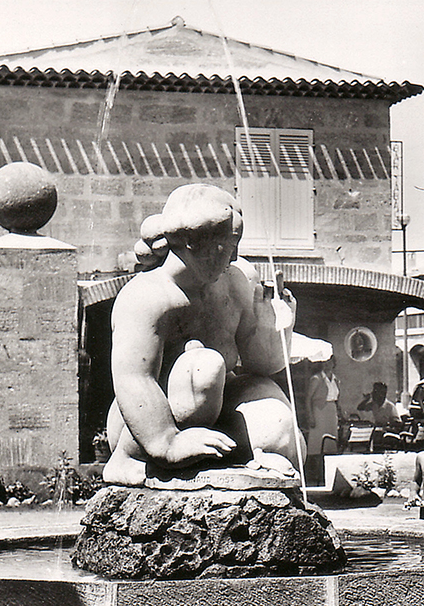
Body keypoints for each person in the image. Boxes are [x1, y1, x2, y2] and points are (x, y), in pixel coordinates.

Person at [102, 183, 301, 486]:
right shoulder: (147, 296)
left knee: (283, 430)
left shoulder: (236, 282)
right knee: (203, 367)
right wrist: (166, 444)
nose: (234, 257)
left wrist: (277, 323)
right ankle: (129, 462)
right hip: (146, 425)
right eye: (228, 244)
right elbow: (134, 380)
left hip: (217, 412)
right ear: (194, 243)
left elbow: (261, 365)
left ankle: (224, 460)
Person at [305, 355, 340, 457]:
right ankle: (315, 465)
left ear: (334, 364)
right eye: (325, 362)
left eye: (330, 362)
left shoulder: (335, 380)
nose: (327, 365)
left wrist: (339, 412)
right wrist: (310, 416)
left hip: (332, 412)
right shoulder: (317, 379)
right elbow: (308, 398)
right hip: (319, 411)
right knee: (318, 440)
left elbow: (337, 399)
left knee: (331, 441)